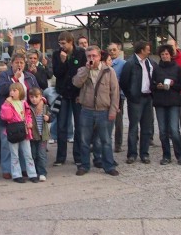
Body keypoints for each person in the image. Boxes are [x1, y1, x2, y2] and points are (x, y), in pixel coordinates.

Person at [72, 45, 119, 176]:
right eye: (89, 56)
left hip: (103, 110)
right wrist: (86, 70)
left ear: (99, 56)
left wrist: (113, 111)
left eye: (94, 56)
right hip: (86, 110)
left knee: (106, 140)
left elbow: (115, 93)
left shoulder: (109, 71)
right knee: (84, 140)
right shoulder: (82, 70)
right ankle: (84, 165)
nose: (91, 58)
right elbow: (76, 83)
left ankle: (108, 166)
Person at [0, 52, 40, 178]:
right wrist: (14, 79)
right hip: (9, 116)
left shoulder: (30, 76)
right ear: (12, 63)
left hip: (23, 115)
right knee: (7, 144)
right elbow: (3, 90)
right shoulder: (4, 75)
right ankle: (7, 169)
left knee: (24, 143)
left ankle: (24, 168)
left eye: (21, 63)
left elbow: (37, 91)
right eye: (16, 62)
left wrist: (41, 101)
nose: (19, 65)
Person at [119, 41, 157, 164]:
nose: (149, 51)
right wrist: (131, 95)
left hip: (148, 98)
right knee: (134, 127)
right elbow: (124, 82)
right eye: (147, 49)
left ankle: (144, 154)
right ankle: (132, 154)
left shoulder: (150, 62)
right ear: (141, 50)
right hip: (136, 99)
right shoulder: (130, 64)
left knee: (147, 128)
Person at [52, 31, 87, 166]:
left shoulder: (81, 53)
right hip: (63, 93)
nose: (62, 46)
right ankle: (61, 157)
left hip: (77, 94)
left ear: (71, 42)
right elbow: (57, 73)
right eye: (60, 44)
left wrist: (80, 94)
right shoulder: (57, 54)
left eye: (64, 43)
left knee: (79, 125)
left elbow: (81, 72)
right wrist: (62, 61)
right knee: (62, 125)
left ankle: (77, 156)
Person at [151, 44, 181, 165]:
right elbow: (152, 85)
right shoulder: (156, 68)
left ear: (170, 55)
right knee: (163, 130)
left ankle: (180, 155)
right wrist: (157, 86)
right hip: (160, 101)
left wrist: (172, 85)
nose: (165, 56)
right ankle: (166, 155)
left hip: (173, 101)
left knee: (174, 130)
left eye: (166, 54)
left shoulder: (177, 68)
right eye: (162, 54)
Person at [0, 83, 39, 183]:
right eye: (11, 90)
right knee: (14, 154)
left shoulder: (23, 103)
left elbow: (28, 114)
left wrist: (29, 122)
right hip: (13, 131)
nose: (12, 92)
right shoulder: (7, 104)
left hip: (24, 131)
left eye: (15, 90)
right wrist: (6, 105)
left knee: (27, 153)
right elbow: (6, 117)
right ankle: (16, 174)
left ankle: (32, 174)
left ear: (20, 92)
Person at [28, 87, 52, 181]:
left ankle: (42, 172)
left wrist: (48, 118)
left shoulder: (45, 107)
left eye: (36, 97)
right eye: (32, 97)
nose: (34, 99)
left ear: (41, 97)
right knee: (33, 154)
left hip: (43, 136)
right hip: (33, 136)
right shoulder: (28, 108)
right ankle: (34, 172)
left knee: (41, 155)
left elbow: (52, 116)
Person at [108, 42, 126, 153]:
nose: (112, 52)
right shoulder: (105, 63)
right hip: (105, 96)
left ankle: (118, 144)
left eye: (114, 50)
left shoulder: (124, 64)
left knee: (118, 121)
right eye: (110, 50)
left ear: (118, 51)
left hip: (119, 95)